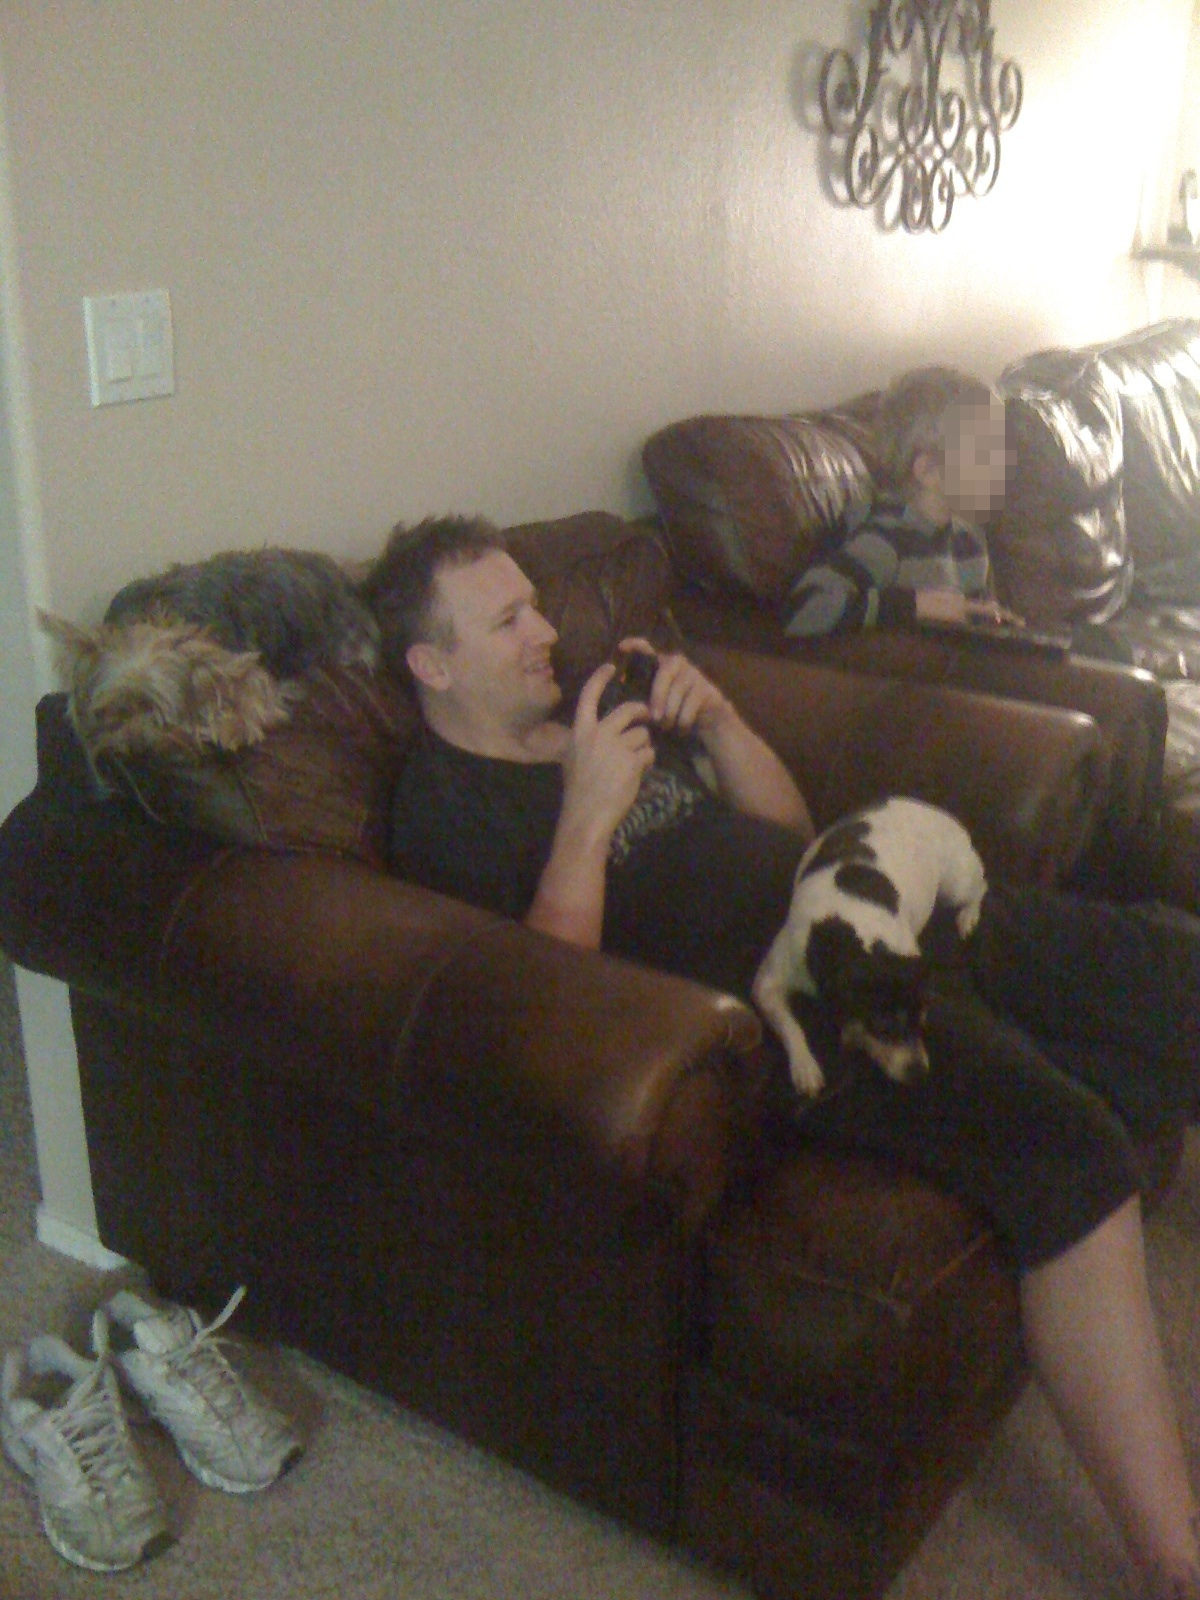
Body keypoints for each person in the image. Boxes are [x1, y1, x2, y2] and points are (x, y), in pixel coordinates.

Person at [365, 513, 1200, 1600]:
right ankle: (1174, 1560)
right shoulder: (445, 809)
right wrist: (587, 816)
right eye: (507, 619)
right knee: (1067, 1145)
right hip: (813, 994)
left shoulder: (597, 714)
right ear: (432, 665)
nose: (545, 632)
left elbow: (792, 828)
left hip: (891, 901)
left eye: (534, 604)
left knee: (1170, 965)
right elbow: (550, 1004)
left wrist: (719, 723)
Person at [782, 365, 1016, 639]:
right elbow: (802, 609)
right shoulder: (883, 539)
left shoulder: (969, 541)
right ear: (928, 471)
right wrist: (914, 606)